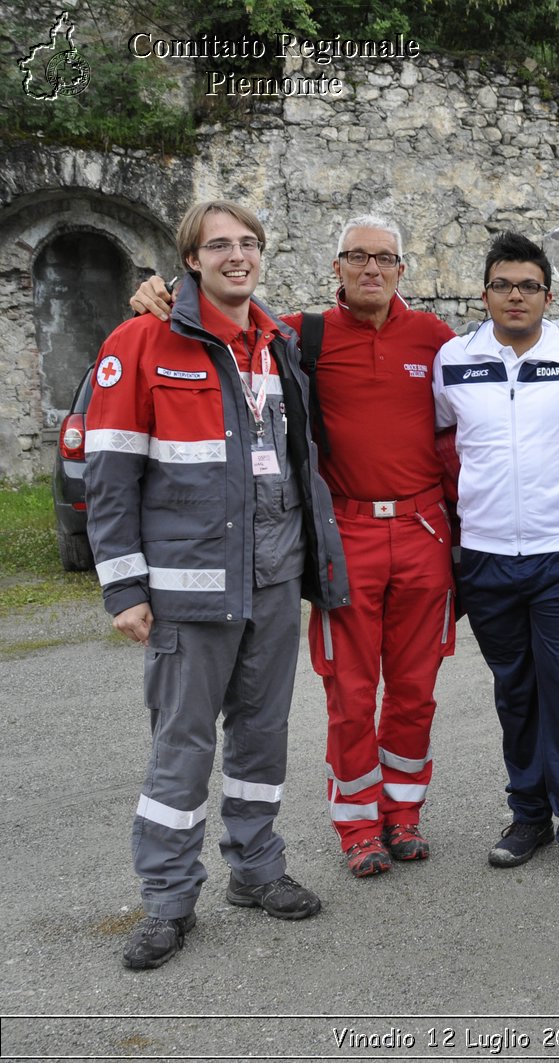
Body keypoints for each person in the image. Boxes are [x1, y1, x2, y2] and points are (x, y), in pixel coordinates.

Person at [128, 216, 461, 880]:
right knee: (351, 688)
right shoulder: (298, 335)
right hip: (347, 534)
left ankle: (404, 813)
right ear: (334, 266)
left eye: (385, 258)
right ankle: (359, 825)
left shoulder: (436, 339)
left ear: (402, 268)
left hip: (424, 532)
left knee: (416, 689)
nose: (371, 268)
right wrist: (158, 293)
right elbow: (220, 315)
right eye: (356, 256)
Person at [87, 200, 349, 969]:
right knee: (182, 747)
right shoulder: (142, 340)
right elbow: (109, 472)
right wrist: (124, 586)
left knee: (262, 736)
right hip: (187, 589)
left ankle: (256, 866)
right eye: (220, 245)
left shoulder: (277, 344)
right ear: (190, 260)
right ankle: (168, 899)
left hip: (273, 579)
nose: (238, 256)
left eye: (249, 244)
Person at [433, 231, 559, 890]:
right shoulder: (452, 358)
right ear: (485, 292)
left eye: (527, 286)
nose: (514, 296)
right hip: (487, 558)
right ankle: (528, 815)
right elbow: (441, 429)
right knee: (515, 691)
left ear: (549, 296)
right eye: (502, 284)